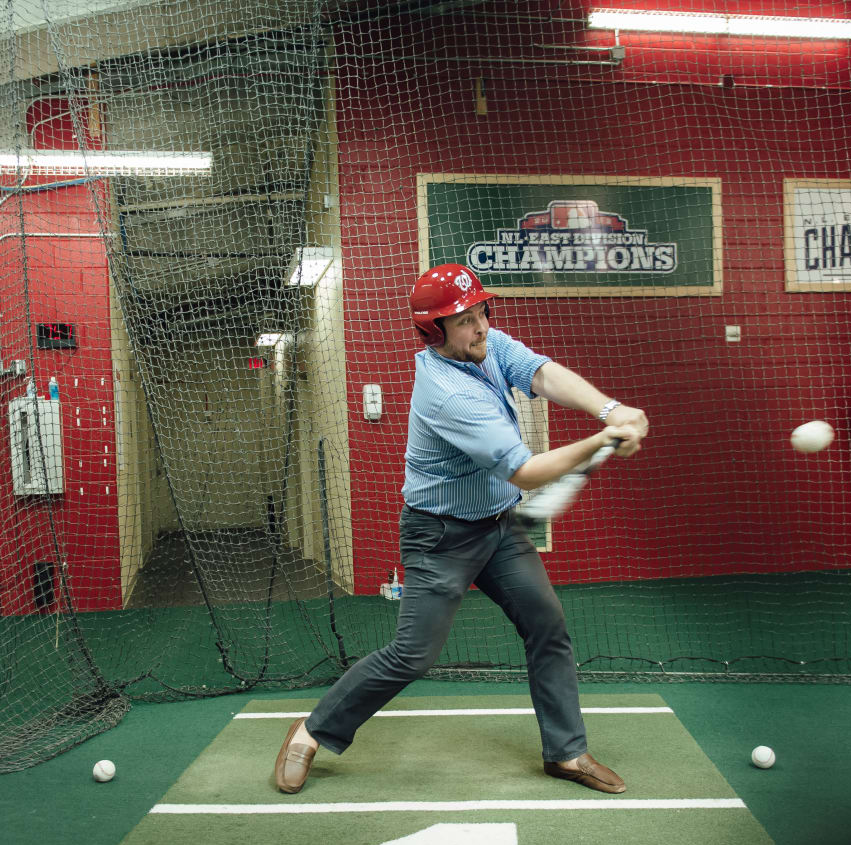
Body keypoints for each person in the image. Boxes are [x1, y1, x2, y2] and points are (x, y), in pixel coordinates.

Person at [274, 262, 649, 795]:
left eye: (480, 312)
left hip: (499, 526)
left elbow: (540, 371)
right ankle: (312, 732)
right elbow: (525, 471)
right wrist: (603, 440)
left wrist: (609, 409)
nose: (480, 327)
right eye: (464, 320)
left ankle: (566, 752)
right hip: (441, 536)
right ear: (435, 331)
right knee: (413, 655)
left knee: (547, 625)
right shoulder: (447, 393)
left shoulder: (487, 345)